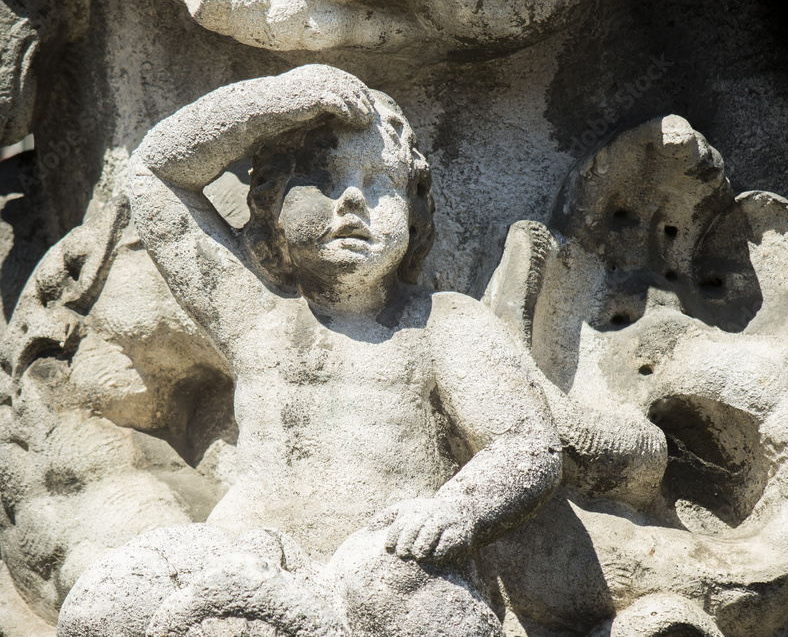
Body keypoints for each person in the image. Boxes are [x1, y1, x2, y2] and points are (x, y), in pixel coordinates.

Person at [127, 64, 562, 569]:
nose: (355, 198)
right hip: (248, 561)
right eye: (326, 180)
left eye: (381, 184)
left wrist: (456, 510)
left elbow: (525, 444)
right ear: (272, 205)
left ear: (414, 212)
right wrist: (279, 99)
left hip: (388, 564)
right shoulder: (254, 314)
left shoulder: (442, 322)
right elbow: (154, 171)